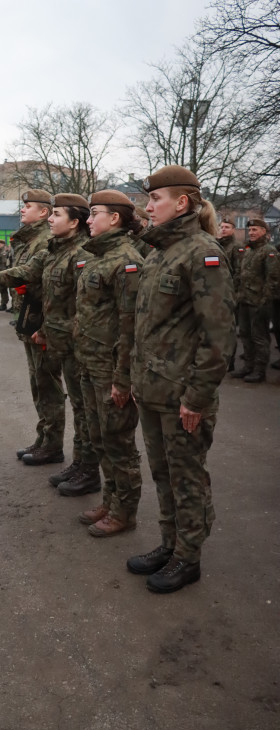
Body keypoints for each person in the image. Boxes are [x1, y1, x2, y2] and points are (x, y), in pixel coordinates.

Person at [128, 165, 235, 593]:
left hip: (183, 395)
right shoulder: (158, 253)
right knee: (163, 473)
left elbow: (219, 335)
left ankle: (188, 557)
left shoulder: (203, 253)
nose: (148, 207)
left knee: (187, 477)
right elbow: (148, 327)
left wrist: (198, 397)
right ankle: (170, 544)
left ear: (182, 203)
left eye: (156, 199)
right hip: (153, 388)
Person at [0, 194, 100, 495]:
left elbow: (81, 305)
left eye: (57, 214)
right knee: (71, 398)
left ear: (74, 222)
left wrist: (46, 329)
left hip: (75, 340)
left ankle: (86, 466)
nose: (51, 219)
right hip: (57, 335)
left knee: (82, 406)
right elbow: (27, 273)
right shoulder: (54, 248)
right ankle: (76, 461)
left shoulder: (83, 253)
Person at [74, 191, 143, 536]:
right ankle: (110, 500)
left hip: (111, 369)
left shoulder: (127, 260)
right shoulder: (98, 256)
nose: (88, 220)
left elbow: (130, 325)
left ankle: (124, 512)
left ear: (114, 218)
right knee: (100, 438)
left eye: (94, 213)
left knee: (119, 443)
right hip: (90, 363)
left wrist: (123, 377)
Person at [7, 190, 65, 465]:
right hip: (30, 318)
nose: (22, 210)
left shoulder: (44, 240)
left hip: (40, 321)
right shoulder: (31, 239)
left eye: (27, 206)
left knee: (47, 384)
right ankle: (43, 437)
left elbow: (43, 284)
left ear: (43, 212)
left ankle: (52, 445)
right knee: (38, 383)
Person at [230, 219, 280, 383]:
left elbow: (273, 279)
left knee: (259, 337)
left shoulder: (269, 251)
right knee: (245, 334)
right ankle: (248, 366)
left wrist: (264, 301)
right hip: (244, 299)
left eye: (255, 230)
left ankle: (259, 370)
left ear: (264, 231)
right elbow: (240, 274)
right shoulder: (249, 250)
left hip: (259, 302)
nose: (251, 233)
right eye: (250, 230)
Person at [217, 216, 242, 371]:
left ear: (233, 229)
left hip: (229, 294)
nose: (223, 229)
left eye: (227, 227)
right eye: (221, 226)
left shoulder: (236, 247)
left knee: (229, 330)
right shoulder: (217, 245)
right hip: (217, 294)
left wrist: (233, 293)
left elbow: (239, 272)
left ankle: (229, 362)